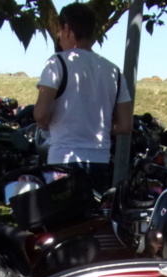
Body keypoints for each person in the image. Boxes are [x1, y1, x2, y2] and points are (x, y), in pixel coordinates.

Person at [33, 2, 133, 193]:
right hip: (99, 161)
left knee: (61, 221)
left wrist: (49, 122)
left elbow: (40, 114)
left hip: (62, 160)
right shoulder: (113, 71)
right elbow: (125, 125)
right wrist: (96, 125)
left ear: (67, 28)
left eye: (59, 30)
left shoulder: (58, 62)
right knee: (90, 219)